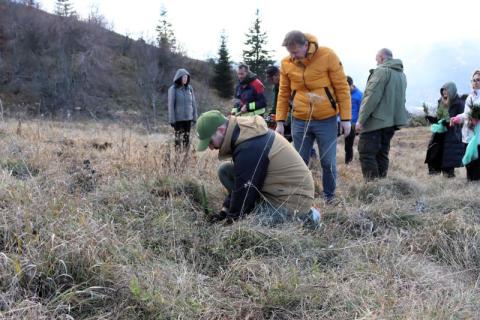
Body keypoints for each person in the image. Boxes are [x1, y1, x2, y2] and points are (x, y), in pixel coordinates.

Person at [195, 110, 319, 226]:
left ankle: (307, 219)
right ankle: (302, 214)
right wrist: (225, 211)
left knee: (250, 224)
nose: (211, 148)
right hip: (278, 191)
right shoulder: (243, 134)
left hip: (293, 202)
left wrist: (231, 222)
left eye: (210, 142)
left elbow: (246, 190)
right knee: (225, 171)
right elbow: (242, 182)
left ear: (221, 130)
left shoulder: (249, 146)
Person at [275, 30, 351, 202]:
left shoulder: (327, 55)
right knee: (298, 161)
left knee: (327, 162)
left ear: (305, 45)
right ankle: (299, 196)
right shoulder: (286, 63)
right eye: (289, 52)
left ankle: (329, 197)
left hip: (326, 119)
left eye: (295, 52)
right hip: (300, 120)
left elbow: (342, 88)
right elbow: (283, 93)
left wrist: (345, 119)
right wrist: (279, 121)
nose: (292, 56)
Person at [356, 48, 408, 181]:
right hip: (391, 123)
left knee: (367, 153)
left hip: (376, 122)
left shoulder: (381, 71)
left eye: (376, 59)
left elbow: (371, 97)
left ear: (381, 58)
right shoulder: (401, 75)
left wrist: (361, 120)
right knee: (382, 154)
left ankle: (372, 188)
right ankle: (382, 186)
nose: (376, 62)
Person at [424, 82, 465, 177]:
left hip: (451, 136)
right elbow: (439, 118)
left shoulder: (459, 104)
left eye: (446, 89)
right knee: (434, 157)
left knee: (448, 163)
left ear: (452, 90)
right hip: (439, 135)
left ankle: (448, 185)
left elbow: (462, 121)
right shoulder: (441, 102)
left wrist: (449, 123)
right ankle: (434, 181)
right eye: (443, 90)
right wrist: (433, 119)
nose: (444, 92)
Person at [450, 70, 480, 181]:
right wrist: (457, 118)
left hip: (478, 137)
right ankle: (470, 184)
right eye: (473, 80)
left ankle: (476, 188)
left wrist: (477, 119)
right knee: (468, 162)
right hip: (467, 135)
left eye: (478, 80)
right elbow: (467, 114)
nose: (475, 82)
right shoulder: (470, 97)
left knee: (476, 163)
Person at [168, 68, 198, 152]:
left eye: (187, 77)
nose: (186, 79)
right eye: (184, 77)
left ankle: (185, 158)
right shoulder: (173, 89)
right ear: (179, 78)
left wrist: (195, 116)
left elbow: (193, 103)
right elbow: (171, 105)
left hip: (188, 119)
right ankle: (177, 158)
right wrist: (172, 120)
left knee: (186, 139)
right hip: (178, 120)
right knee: (178, 140)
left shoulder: (190, 89)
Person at [265, 65, 292, 141]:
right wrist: (271, 115)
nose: (270, 81)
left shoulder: (288, 82)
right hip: (286, 110)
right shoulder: (276, 87)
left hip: (296, 110)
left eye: (271, 79)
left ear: (277, 75)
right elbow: (276, 103)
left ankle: (311, 152)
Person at [344, 76, 363, 164]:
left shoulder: (360, 95)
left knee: (348, 145)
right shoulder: (343, 94)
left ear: (351, 85)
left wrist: (359, 123)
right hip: (341, 122)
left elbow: (362, 111)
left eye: (346, 87)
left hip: (353, 124)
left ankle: (348, 162)